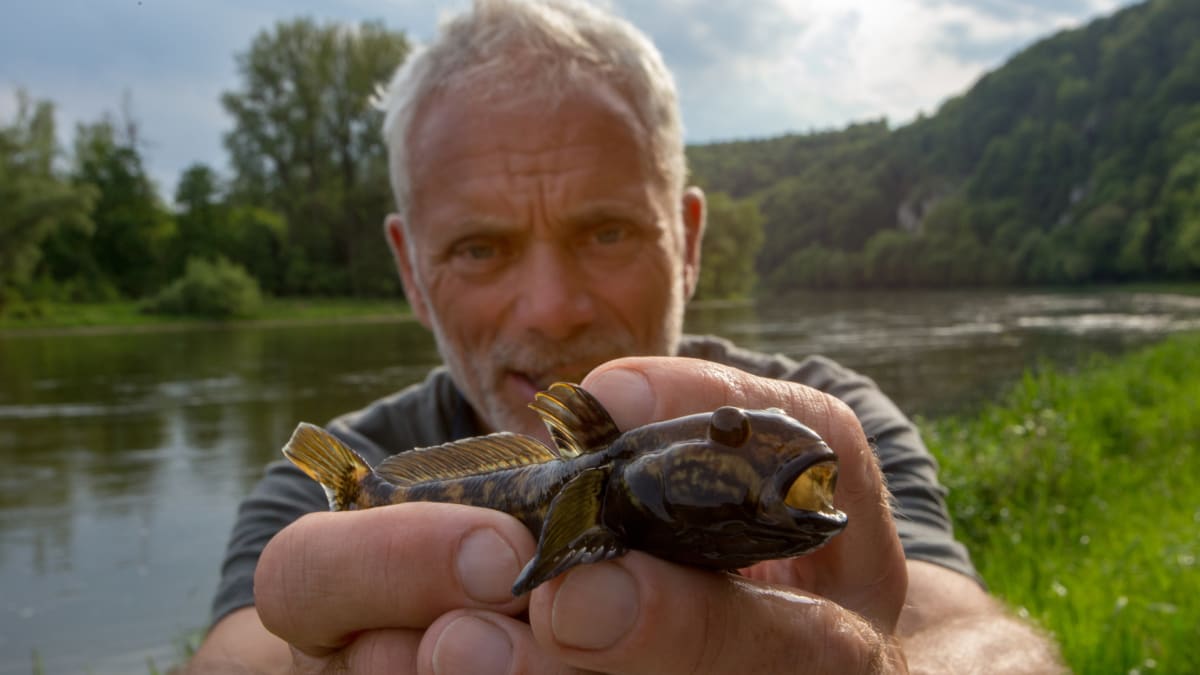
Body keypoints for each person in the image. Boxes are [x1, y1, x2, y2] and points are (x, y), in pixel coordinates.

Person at [189, 0, 1064, 672]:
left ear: (685, 242)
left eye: (605, 231)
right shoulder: (338, 471)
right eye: (479, 247)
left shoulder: (830, 422)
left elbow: (978, 638)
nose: (551, 307)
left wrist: (882, 664)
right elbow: (237, 650)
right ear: (412, 271)